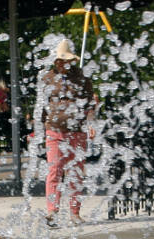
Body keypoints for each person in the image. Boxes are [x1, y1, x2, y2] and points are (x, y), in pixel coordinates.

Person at [39, 39, 98, 224]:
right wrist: (39, 129)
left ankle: (74, 213)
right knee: (54, 170)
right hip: (54, 131)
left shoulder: (81, 78)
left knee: (75, 172)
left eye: (64, 61)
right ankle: (52, 212)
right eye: (58, 61)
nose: (61, 64)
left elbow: (90, 104)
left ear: (71, 61)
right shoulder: (47, 78)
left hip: (77, 132)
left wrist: (91, 123)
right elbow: (41, 107)